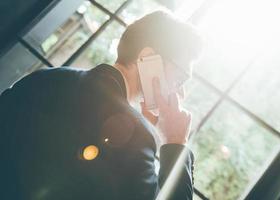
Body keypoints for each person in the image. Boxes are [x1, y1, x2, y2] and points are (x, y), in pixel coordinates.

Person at [0, 11, 202, 200]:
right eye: (179, 78)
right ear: (147, 57)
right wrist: (175, 143)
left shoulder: (46, 78)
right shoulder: (137, 136)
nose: (180, 92)